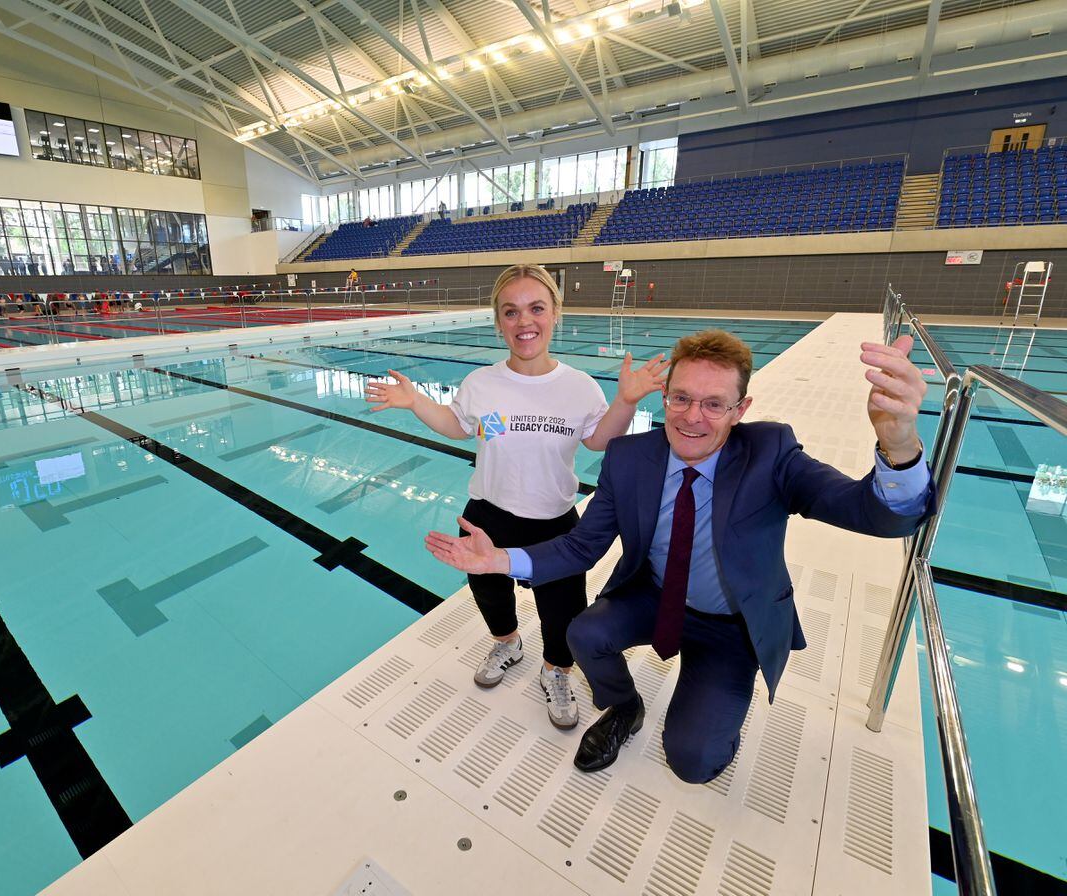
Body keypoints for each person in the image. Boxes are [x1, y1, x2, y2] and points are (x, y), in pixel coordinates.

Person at [426, 328, 933, 781]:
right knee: (583, 632)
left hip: (729, 624)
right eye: (682, 398)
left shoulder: (771, 454)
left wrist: (900, 443)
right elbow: (582, 546)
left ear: (741, 410)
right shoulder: (630, 459)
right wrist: (501, 561)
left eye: (715, 404)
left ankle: (712, 694)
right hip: (654, 596)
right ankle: (625, 707)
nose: (693, 417)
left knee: (694, 763)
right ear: (664, 396)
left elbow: (876, 517)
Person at [367, 263, 668, 730]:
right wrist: (416, 403)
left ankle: (557, 670)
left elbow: (597, 441)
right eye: (511, 312)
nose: (524, 321)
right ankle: (508, 642)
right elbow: (458, 425)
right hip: (487, 513)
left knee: (563, 610)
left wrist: (625, 402)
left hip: (554, 519)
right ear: (498, 322)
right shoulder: (483, 384)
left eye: (535, 308)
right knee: (488, 592)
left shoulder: (578, 386)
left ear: (555, 314)